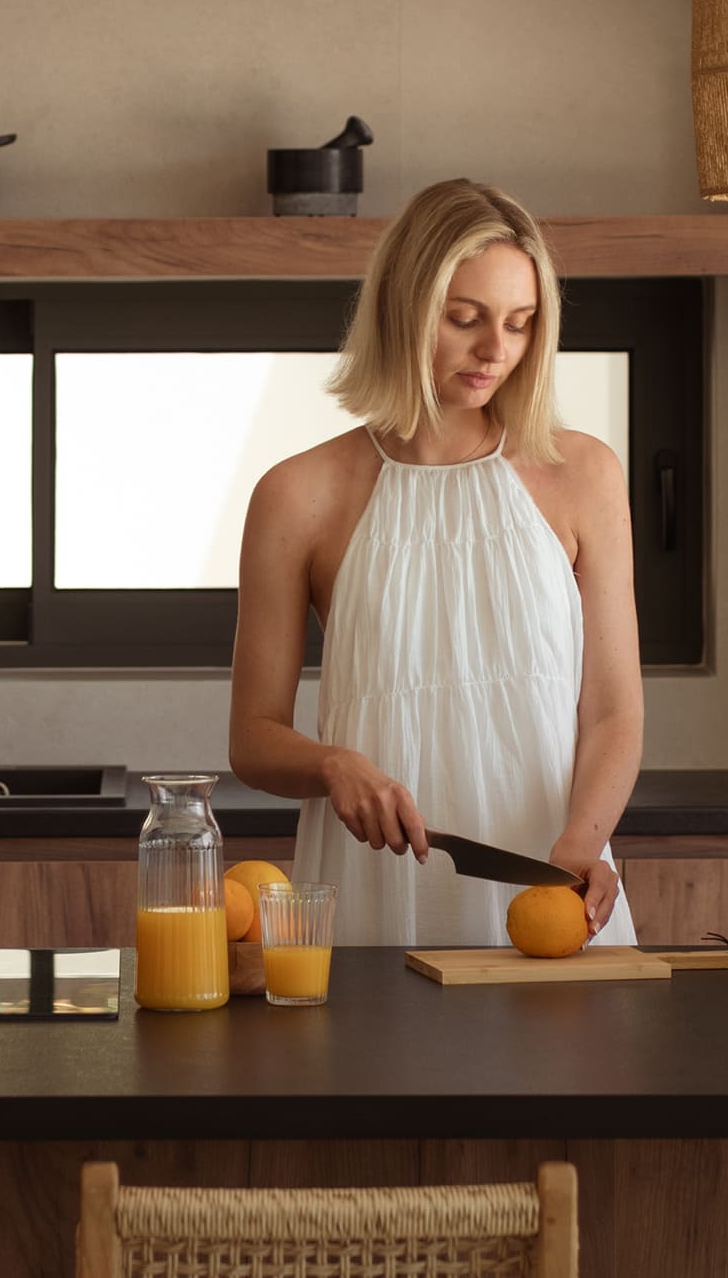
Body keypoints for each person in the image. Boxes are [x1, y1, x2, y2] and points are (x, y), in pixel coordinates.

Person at [226, 178, 642, 947]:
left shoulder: (584, 473)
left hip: (551, 878)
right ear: (404, 308)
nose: (496, 350)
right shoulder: (298, 495)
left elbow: (614, 710)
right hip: (376, 888)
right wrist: (332, 764)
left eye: (520, 324)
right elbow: (253, 737)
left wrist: (581, 842)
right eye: (465, 318)